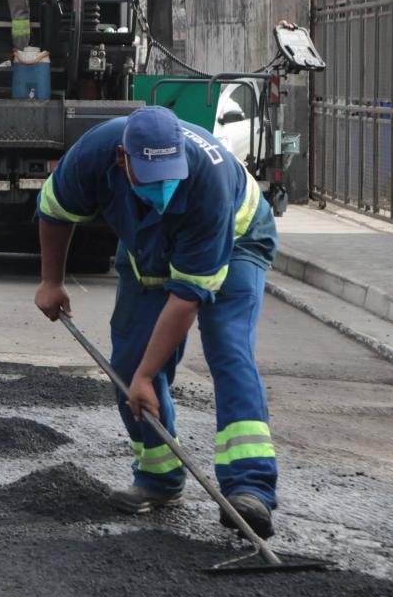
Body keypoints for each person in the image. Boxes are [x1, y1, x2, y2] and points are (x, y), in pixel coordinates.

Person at [33, 105, 281, 538]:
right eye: (152, 178)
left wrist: (151, 373)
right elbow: (55, 209)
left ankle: (250, 489)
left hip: (237, 241)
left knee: (227, 347)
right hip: (148, 246)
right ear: (123, 160)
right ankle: (159, 478)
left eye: (171, 175)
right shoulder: (93, 153)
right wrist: (51, 281)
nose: (165, 186)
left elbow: (188, 296)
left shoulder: (208, 180)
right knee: (128, 361)